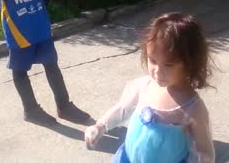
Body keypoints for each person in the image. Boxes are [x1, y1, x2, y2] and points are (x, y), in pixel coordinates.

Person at [85, 12, 215, 163]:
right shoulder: (144, 86)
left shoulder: (193, 108)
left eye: (169, 65)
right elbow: (123, 108)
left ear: (189, 63)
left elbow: (204, 150)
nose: (157, 71)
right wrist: (100, 126)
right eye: (152, 60)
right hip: (128, 158)